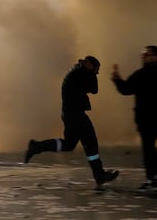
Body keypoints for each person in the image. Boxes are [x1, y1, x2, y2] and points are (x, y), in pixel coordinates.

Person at [23, 55, 119, 188]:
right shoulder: (80, 74)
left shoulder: (77, 72)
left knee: (68, 144)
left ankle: (37, 146)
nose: (97, 71)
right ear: (89, 64)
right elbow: (94, 89)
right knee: (91, 143)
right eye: (96, 68)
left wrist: (90, 71)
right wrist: (92, 73)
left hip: (70, 114)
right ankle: (99, 175)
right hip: (76, 115)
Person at [111, 45, 157, 190]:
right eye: (143, 55)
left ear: (156, 57)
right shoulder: (141, 74)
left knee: (148, 146)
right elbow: (126, 89)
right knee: (149, 146)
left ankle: (152, 177)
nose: (144, 57)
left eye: (147, 55)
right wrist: (117, 79)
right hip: (144, 117)